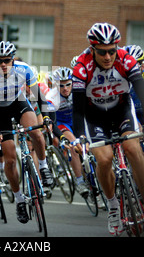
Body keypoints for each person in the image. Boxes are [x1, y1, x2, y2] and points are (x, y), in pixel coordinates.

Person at [72, 23, 144, 236]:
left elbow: (143, 94)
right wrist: (80, 136)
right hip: (94, 117)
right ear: (92, 49)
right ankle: (112, 207)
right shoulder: (81, 67)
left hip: (121, 112)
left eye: (112, 51)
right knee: (104, 158)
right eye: (102, 52)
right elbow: (78, 109)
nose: (108, 56)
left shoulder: (126, 60)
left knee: (134, 149)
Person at [0, 41, 54, 224]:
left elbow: (39, 97)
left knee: (36, 133)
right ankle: (19, 199)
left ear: (13, 59)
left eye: (7, 60)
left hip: (17, 103)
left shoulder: (24, 69)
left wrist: (45, 118)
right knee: (11, 160)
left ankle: (43, 167)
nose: (3, 64)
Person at [51, 67, 88, 197]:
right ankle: (80, 181)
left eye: (68, 84)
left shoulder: (79, 91)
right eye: (61, 86)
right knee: (73, 145)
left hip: (77, 121)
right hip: (62, 123)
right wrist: (60, 137)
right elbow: (50, 121)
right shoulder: (51, 97)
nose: (65, 88)